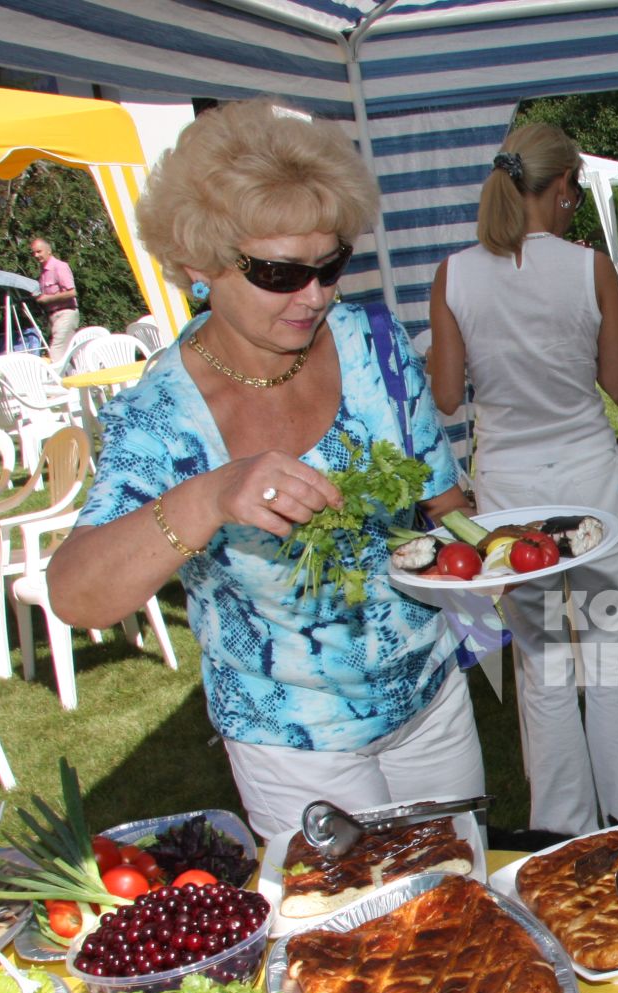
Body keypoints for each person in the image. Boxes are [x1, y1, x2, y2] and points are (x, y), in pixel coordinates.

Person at [46, 98, 486, 837]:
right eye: (280, 273)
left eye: (331, 266)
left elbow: (442, 503)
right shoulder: (165, 413)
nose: (314, 296)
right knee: (352, 944)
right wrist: (210, 497)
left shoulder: (371, 344)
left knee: (463, 910)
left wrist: (502, 561)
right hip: (293, 740)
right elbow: (77, 594)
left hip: (431, 697)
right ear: (198, 263)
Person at [428, 122, 618, 836]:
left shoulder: (454, 273)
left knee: (542, 661)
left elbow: (443, 394)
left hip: (508, 489)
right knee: (611, 656)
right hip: (592, 478)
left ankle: (560, 828)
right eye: (574, 194)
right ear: (559, 189)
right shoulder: (589, 268)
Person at [30, 236, 81, 365]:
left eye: (39, 251)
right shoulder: (42, 273)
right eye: (34, 252)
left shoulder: (59, 266)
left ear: (49, 251)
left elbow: (72, 292)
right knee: (68, 353)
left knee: (56, 350)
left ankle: (58, 381)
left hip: (66, 313)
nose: (36, 255)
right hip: (53, 317)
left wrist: (48, 299)